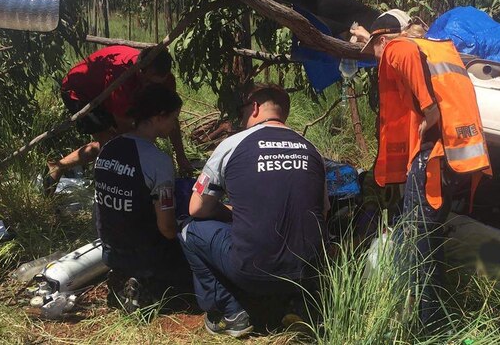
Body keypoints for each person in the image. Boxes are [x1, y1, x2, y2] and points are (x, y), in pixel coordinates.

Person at [361, 9, 491, 329]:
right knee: (425, 240)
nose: (376, 58)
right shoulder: (437, 51)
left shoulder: (399, 47)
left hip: (430, 160)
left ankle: (427, 325)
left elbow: (400, 50)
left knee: (420, 243)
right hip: (450, 160)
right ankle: (429, 317)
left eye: (374, 49)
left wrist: (428, 107)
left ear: (382, 38)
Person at [181, 84, 327, 338]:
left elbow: (197, 208)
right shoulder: (311, 149)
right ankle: (299, 304)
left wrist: (228, 211)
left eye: (243, 111)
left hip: (252, 270)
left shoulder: (233, 144)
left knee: (190, 231)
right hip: (307, 271)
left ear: (255, 107)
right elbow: (321, 210)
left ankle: (230, 312)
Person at [93, 84, 190, 311]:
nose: (175, 125)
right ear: (158, 117)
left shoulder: (108, 149)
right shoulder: (158, 161)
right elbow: (166, 227)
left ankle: (124, 277)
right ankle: (148, 285)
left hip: (110, 249)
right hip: (144, 252)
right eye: (173, 118)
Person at [46, 45, 192, 192]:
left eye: (155, 84)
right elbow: (125, 129)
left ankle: (59, 166)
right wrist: (147, 156)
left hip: (106, 91)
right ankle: (112, 190)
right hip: (81, 91)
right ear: (140, 70)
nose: (150, 87)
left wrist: (181, 156)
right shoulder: (122, 76)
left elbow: (170, 116)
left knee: (113, 144)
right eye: (147, 82)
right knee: (112, 145)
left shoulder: (165, 81)